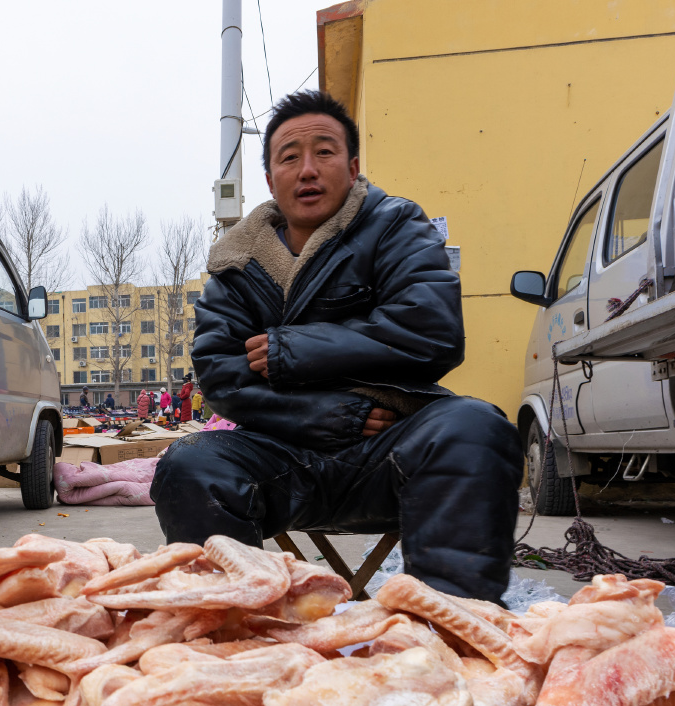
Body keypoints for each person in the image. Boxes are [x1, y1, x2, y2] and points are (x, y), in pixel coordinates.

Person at [151, 90, 522, 605]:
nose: (308, 170)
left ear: (351, 168)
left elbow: (431, 331)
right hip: (281, 456)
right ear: (270, 180)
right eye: (289, 157)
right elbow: (223, 377)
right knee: (190, 463)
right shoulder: (234, 264)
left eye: (324, 152)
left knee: (475, 427)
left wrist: (291, 350)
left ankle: (454, 622)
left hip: (390, 449)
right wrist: (333, 416)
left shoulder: (397, 227)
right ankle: (234, 626)